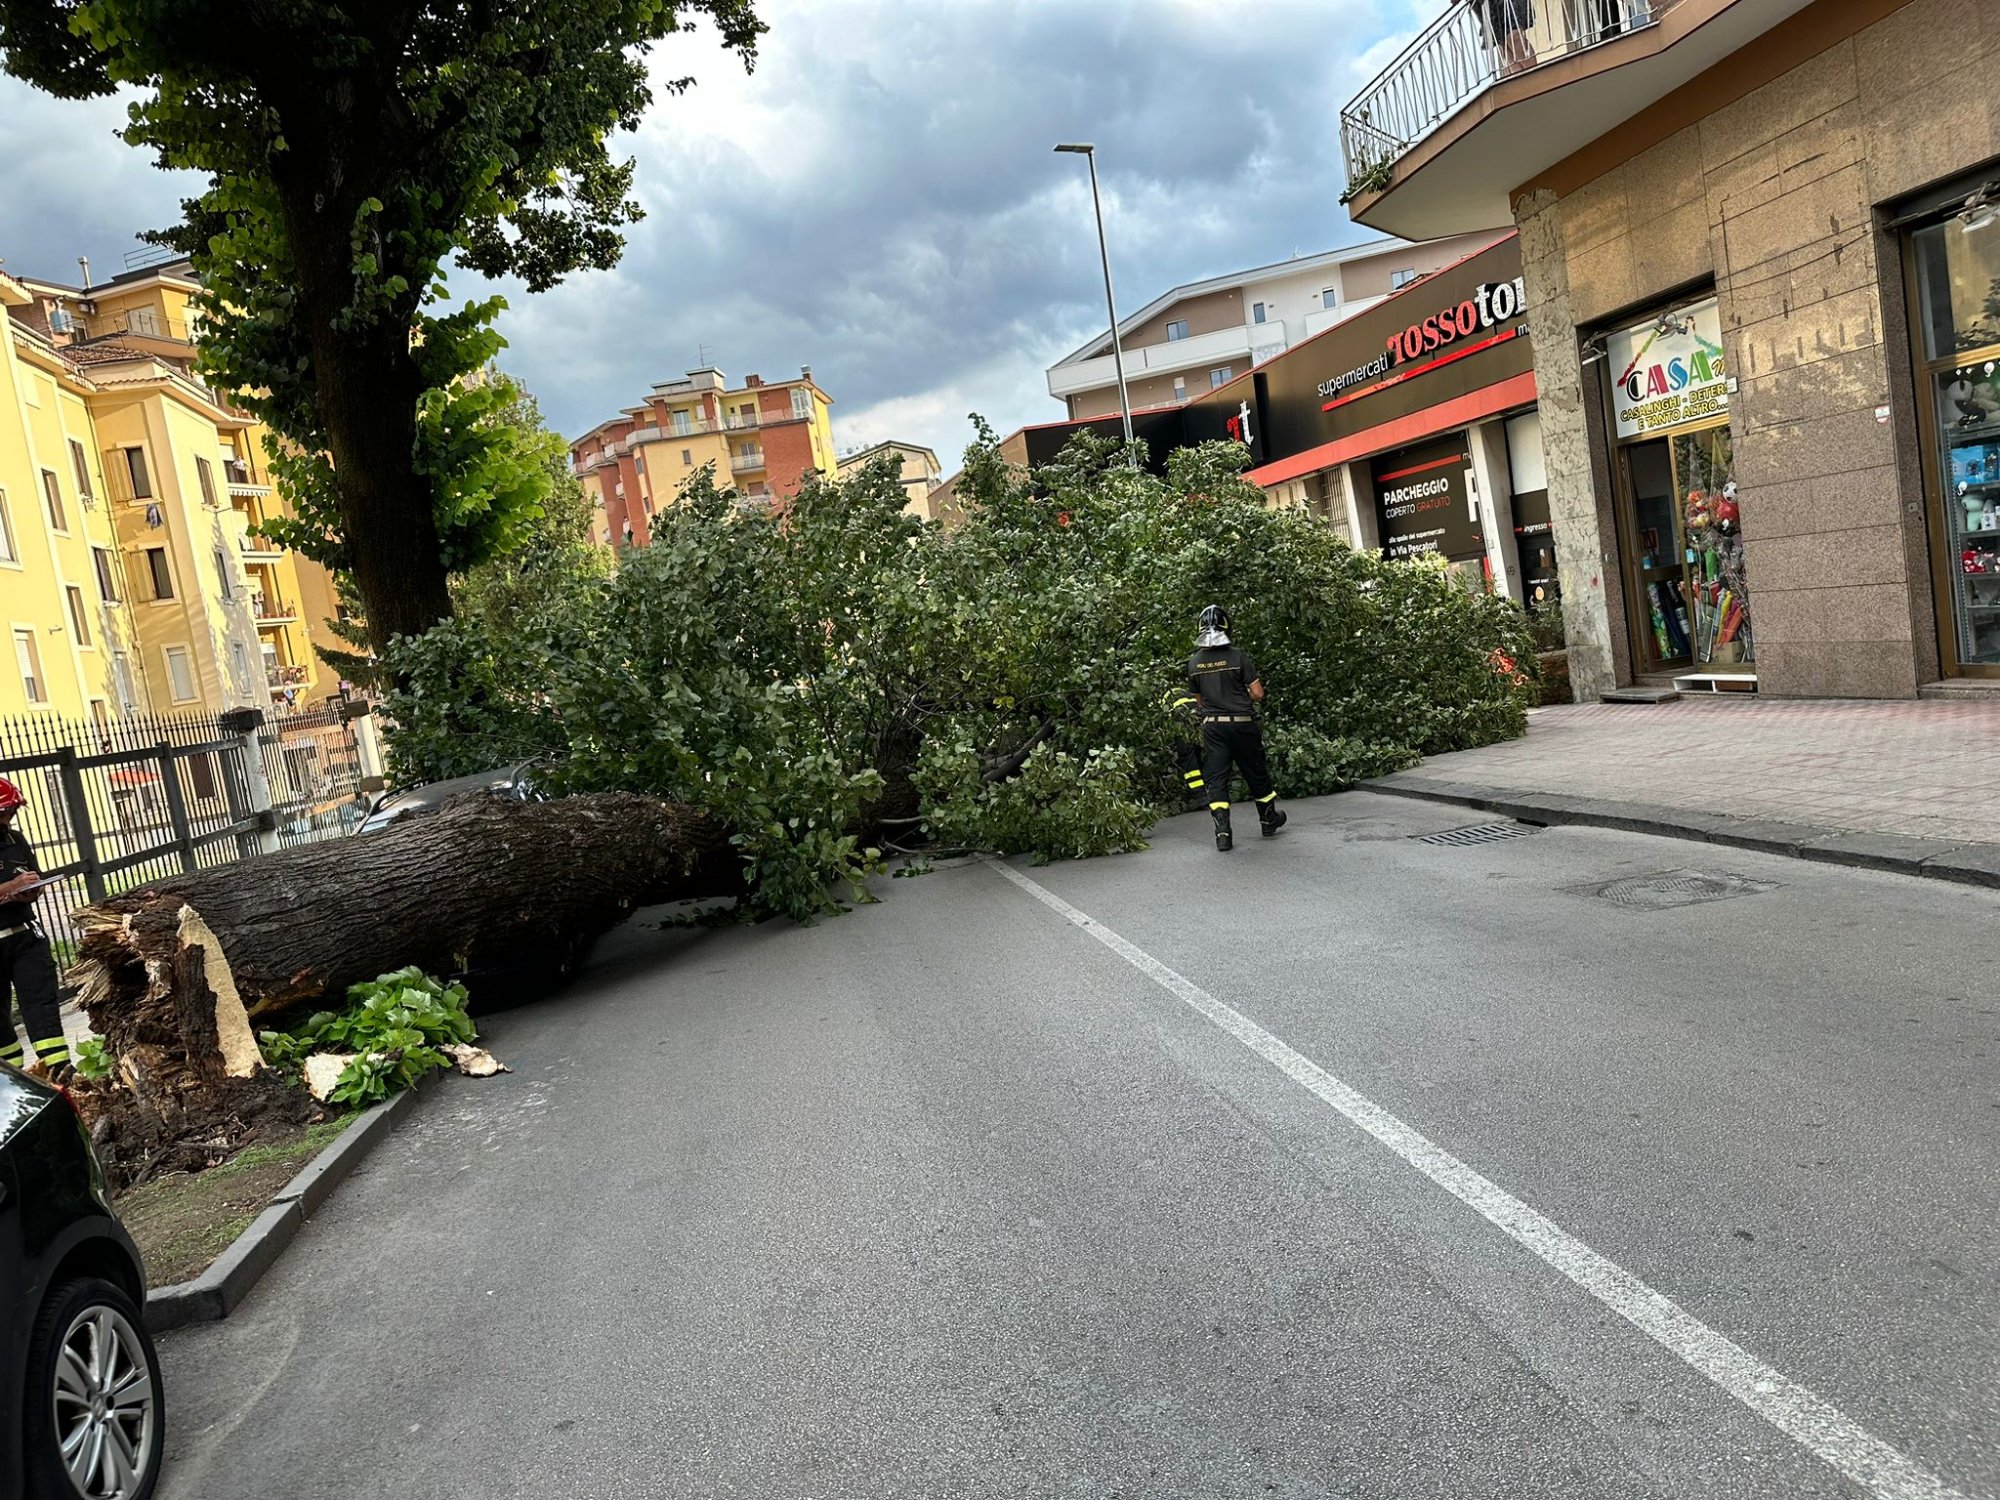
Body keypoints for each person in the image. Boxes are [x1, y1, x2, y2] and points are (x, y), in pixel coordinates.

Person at [1186, 605, 1285, 852]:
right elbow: (1258, 693)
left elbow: (1200, 701)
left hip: (1213, 727)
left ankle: (1223, 833)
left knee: (1217, 778)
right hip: (1241, 724)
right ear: (1227, 628)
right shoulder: (1238, 656)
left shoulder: (1194, 662)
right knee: (1255, 772)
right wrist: (1239, 697)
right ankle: (1268, 820)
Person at [0, 776, 69, 1077]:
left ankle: (60, 1073)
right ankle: (10, 1082)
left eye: (12, 810)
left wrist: (30, 890)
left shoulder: (15, 840)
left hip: (25, 937)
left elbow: (33, 878)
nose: (8, 817)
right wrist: (8, 888)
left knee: (42, 1006)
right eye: (4, 811)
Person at [1161, 684, 1208, 809]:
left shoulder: (1164, 699)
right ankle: (1213, 791)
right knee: (1201, 755)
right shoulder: (1185, 692)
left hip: (1182, 725)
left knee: (1188, 760)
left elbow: (1164, 721)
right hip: (1200, 719)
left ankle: (1200, 795)